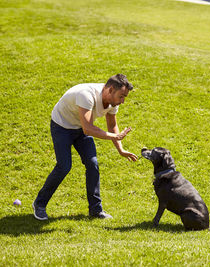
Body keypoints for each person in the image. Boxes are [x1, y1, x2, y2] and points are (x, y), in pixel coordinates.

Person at [33, 74, 138, 220]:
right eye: (121, 96)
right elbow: (88, 128)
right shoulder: (86, 95)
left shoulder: (112, 102)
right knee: (64, 166)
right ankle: (39, 204)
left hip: (80, 129)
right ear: (111, 89)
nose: (123, 101)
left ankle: (95, 210)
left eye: (124, 97)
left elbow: (112, 125)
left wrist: (121, 149)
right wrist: (114, 137)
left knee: (92, 163)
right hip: (62, 126)